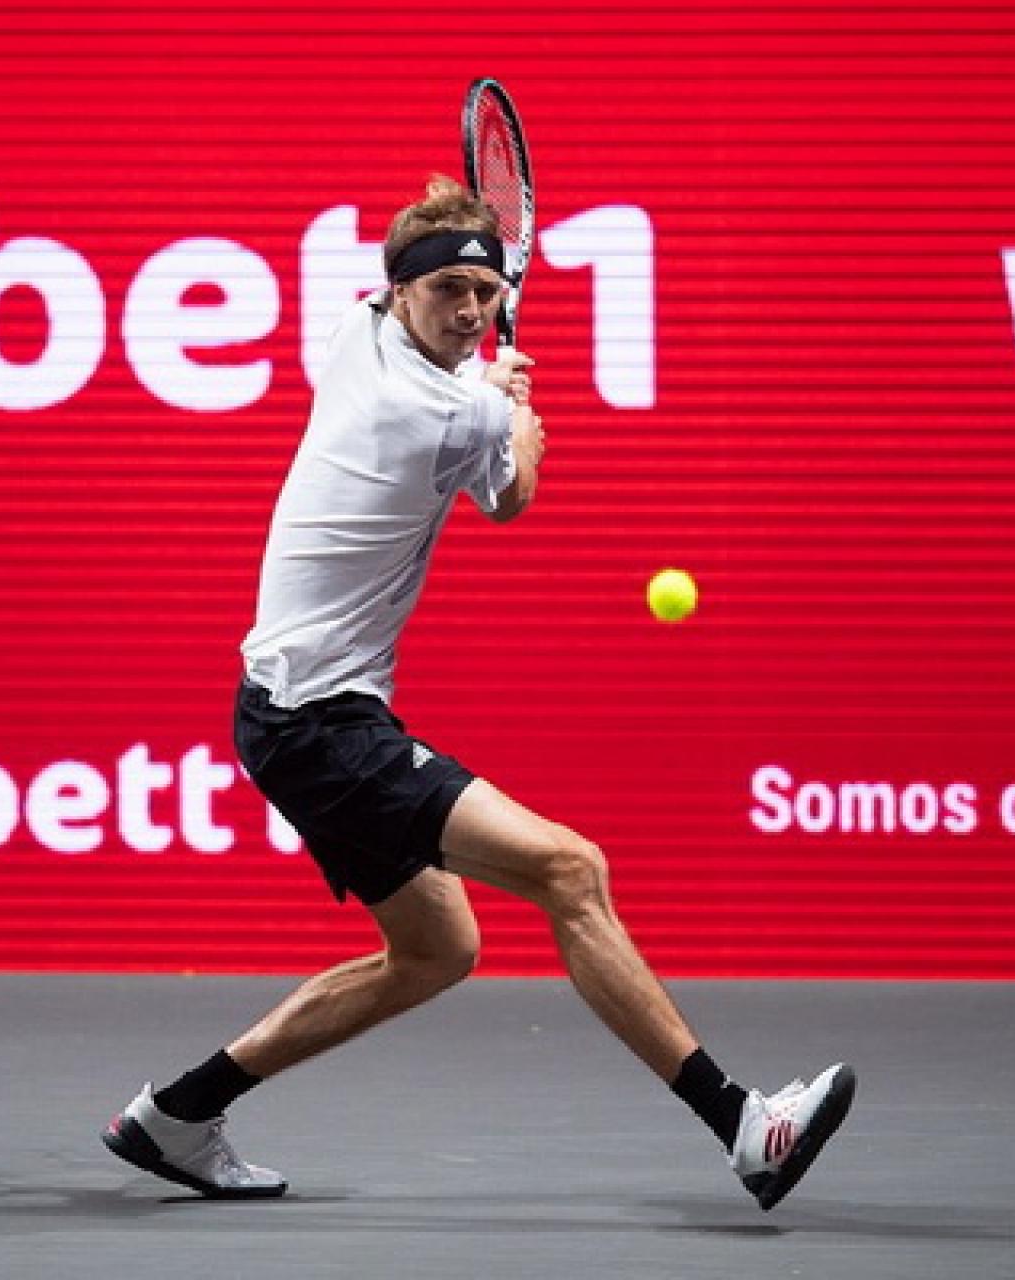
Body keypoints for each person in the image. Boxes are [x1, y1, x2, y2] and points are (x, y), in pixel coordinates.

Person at [102, 176, 854, 1211]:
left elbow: (471, 416)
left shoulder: (354, 332)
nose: (470, 311)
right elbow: (513, 498)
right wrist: (515, 412)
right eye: (449, 289)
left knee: (436, 948)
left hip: (290, 710)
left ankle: (177, 1113)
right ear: (402, 292)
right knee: (571, 869)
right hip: (320, 724)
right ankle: (745, 1125)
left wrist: (489, 392)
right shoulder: (444, 408)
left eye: (485, 294)